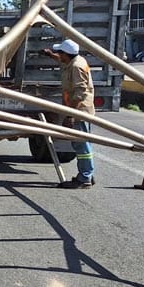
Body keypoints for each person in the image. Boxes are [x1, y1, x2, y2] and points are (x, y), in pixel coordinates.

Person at [43, 39, 95, 189]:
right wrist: (51, 55)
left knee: (81, 144)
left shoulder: (77, 67)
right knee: (83, 143)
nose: (59, 55)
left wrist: (70, 115)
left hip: (79, 110)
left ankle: (85, 178)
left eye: (60, 52)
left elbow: (80, 92)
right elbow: (61, 61)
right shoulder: (72, 61)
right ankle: (88, 175)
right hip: (77, 109)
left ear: (67, 54)